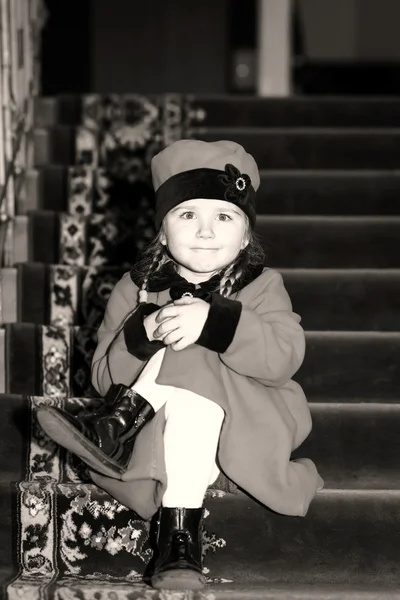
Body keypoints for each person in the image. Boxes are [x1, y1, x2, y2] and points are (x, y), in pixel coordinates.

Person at [37, 139, 323, 591]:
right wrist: (143, 334)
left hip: (242, 430)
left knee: (194, 344)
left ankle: (113, 428)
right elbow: (101, 377)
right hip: (167, 445)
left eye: (224, 217)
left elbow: (284, 358)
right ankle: (179, 544)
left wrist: (216, 324)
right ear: (162, 231)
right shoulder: (136, 289)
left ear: (245, 235)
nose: (206, 232)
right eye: (188, 215)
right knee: (185, 376)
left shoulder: (264, 286)